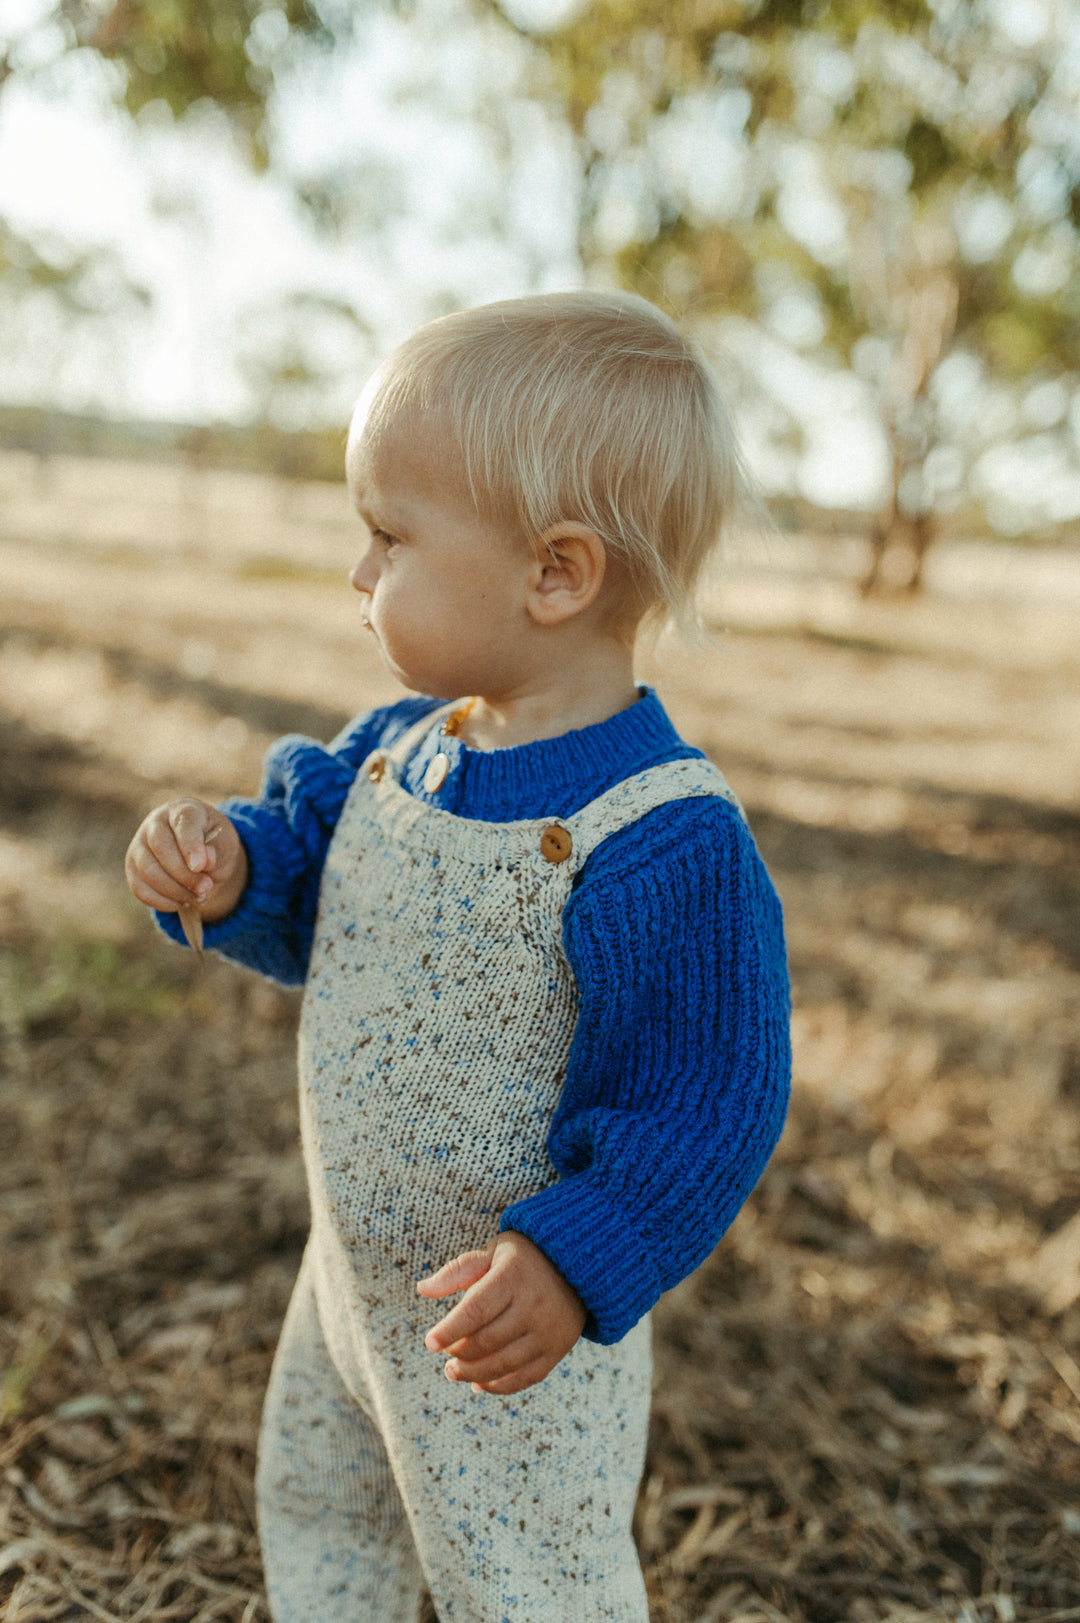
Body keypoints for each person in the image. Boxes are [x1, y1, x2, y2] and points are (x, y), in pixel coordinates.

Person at [124, 290, 791, 1623]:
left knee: (529, 1577)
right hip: (349, 1286)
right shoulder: (394, 752)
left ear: (556, 573)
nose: (359, 575)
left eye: (388, 538)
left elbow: (708, 1098)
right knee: (323, 1518)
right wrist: (230, 866)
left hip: (509, 1329)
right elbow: (307, 879)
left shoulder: (657, 842)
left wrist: (575, 1258)